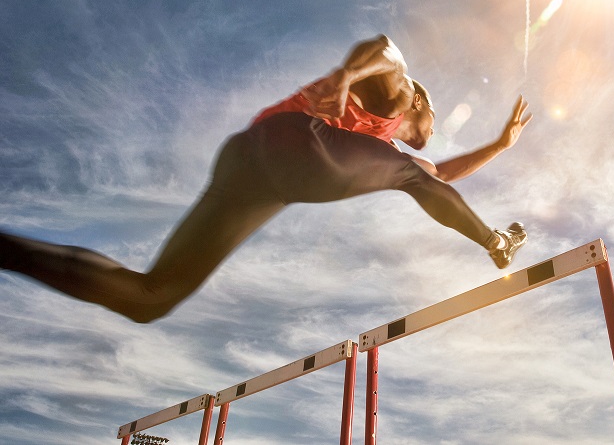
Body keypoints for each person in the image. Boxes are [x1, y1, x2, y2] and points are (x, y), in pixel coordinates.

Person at [0, 35, 532, 323]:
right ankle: (496, 242)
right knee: (410, 176)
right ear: (421, 103)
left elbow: (437, 176)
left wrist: (499, 146)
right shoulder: (397, 97)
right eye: (433, 125)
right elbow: (386, 49)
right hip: (293, 144)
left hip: (248, 165)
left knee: (150, 297)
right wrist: (348, 75)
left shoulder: (382, 146)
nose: (431, 135)